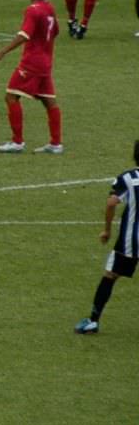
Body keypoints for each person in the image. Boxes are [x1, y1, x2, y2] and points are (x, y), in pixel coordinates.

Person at [0, 0, 62, 155]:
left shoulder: (33, 10)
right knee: (49, 102)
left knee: (11, 97)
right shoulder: (49, 8)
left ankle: (17, 142)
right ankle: (55, 144)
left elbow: (24, 35)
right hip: (46, 62)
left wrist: (2, 52)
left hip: (32, 63)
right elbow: (56, 31)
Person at [75, 140, 138, 335]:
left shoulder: (128, 178)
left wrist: (107, 230)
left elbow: (111, 203)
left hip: (130, 241)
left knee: (110, 276)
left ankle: (93, 321)